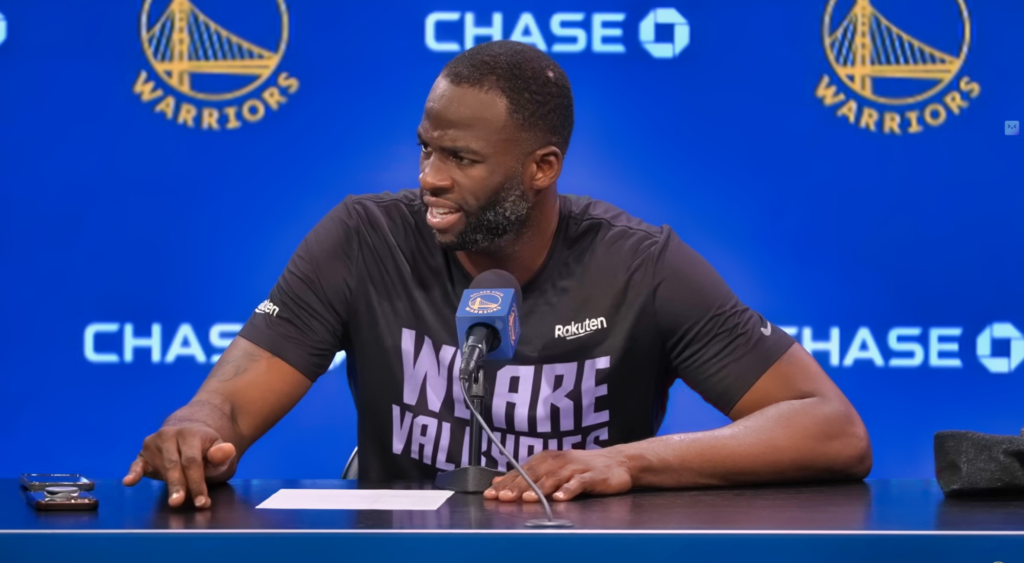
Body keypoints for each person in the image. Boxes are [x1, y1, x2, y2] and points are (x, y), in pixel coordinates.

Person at [123, 40, 871, 509]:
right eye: (425, 150)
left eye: (461, 160)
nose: (430, 179)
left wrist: (626, 463)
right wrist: (198, 428)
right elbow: (229, 399)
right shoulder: (363, 239)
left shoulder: (639, 265)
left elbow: (832, 429)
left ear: (542, 168)